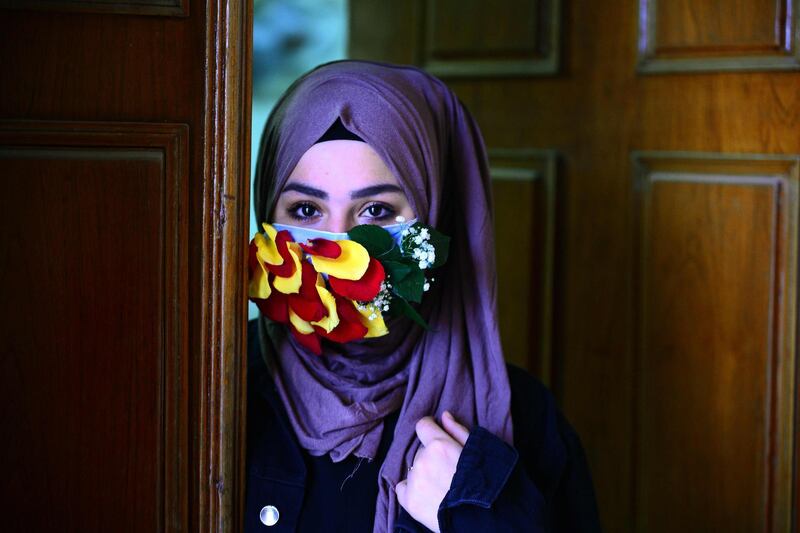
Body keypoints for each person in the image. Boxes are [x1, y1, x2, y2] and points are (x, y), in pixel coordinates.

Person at [246, 60, 601, 532]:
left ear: (437, 217)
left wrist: (481, 513)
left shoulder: (527, 420)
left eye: (376, 210)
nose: (338, 245)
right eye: (306, 209)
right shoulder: (217, 388)